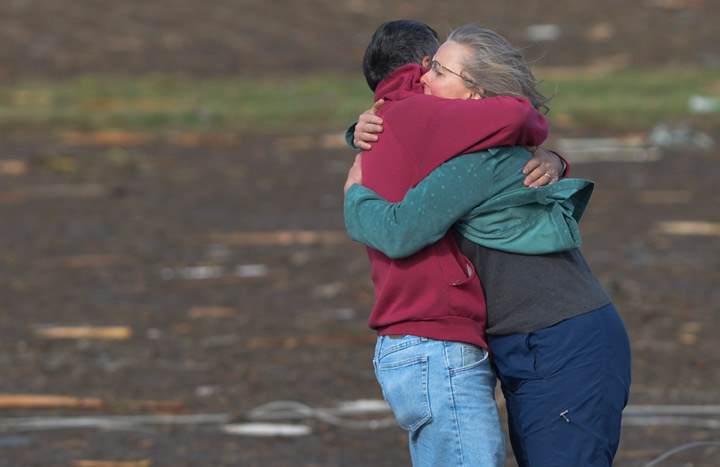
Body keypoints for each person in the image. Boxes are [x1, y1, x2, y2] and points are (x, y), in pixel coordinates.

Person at [345, 24, 632, 467]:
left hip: (561, 338)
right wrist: (359, 128)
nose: (423, 79)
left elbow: (399, 231)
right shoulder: (461, 147)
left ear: (475, 96)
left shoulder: (477, 161)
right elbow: (403, 123)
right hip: (530, 342)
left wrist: (354, 195)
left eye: (437, 71)